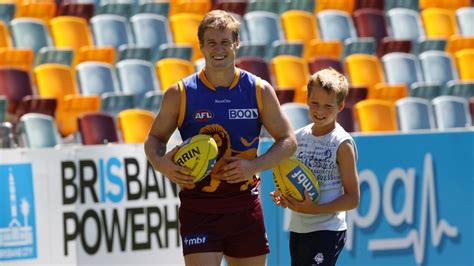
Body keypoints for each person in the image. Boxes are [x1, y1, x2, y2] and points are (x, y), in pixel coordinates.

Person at [144, 10, 297, 266]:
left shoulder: (258, 90)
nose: (219, 49)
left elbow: (288, 141)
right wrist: (162, 164)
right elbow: (154, 140)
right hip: (198, 207)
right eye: (212, 42)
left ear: (236, 43)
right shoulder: (180, 93)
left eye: (225, 42)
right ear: (201, 46)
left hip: (245, 205)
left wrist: (253, 166)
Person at [271, 68, 360, 266]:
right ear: (307, 100)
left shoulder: (342, 143)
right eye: (315, 103)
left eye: (328, 106)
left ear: (341, 106)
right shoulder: (298, 138)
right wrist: (284, 196)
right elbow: (295, 180)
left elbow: (353, 198)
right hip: (299, 228)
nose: (320, 111)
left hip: (328, 229)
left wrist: (316, 209)